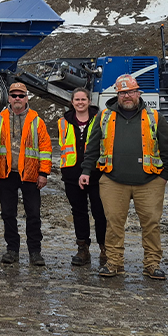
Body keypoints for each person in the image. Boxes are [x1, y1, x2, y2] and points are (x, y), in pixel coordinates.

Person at [79, 74, 168, 280]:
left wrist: (164, 175)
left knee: (151, 224)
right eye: (123, 93)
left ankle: (152, 263)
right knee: (113, 223)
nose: (127, 96)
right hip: (113, 181)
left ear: (138, 93)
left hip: (149, 182)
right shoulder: (104, 117)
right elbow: (93, 147)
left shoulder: (154, 117)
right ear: (118, 95)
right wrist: (86, 171)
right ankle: (114, 262)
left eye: (131, 92)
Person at [0, 82, 52, 266]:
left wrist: (43, 173)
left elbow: (46, 149)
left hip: (31, 176)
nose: (17, 98)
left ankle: (35, 252)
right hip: (6, 174)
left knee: (33, 214)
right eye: (14, 95)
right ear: (8, 97)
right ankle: (12, 250)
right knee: (8, 214)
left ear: (26, 98)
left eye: (21, 95)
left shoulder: (36, 121)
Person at [57, 86, 107, 267]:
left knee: (100, 213)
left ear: (89, 101)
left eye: (83, 99)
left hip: (96, 173)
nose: (80, 103)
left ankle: (105, 248)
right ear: (72, 102)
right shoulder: (63, 121)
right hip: (71, 174)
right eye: (77, 100)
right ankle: (82, 248)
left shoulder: (101, 119)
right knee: (78, 212)